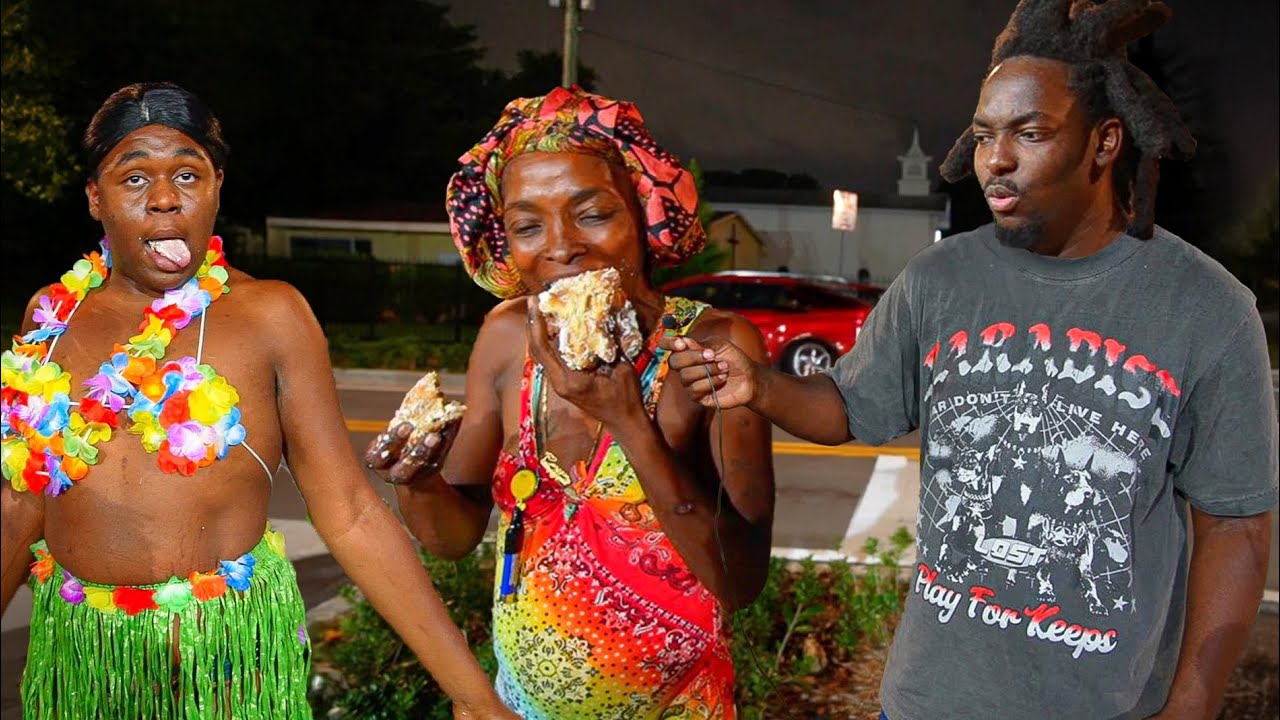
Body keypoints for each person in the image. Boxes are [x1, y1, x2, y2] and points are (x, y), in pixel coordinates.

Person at [662, 1, 1277, 718]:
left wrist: (1191, 705)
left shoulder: (1205, 307)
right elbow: (849, 408)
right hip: (927, 701)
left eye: (1030, 132)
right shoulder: (938, 281)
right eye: (984, 135)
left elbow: (1234, 525)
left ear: (1105, 142)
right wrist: (759, 387)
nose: (997, 160)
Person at [0, 82, 516, 720]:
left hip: (228, 662)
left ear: (216, 185)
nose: (163, 199)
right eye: (133, 179)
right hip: (83, 658)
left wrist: (473, 695)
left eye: (186, 174)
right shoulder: (52, 316)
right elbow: (19, 505)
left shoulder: (269, 314)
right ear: (94, 197)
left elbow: (350, 513)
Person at [365, 87, 775, 719]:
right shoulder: (505, 340)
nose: (560, 247)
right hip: (522, 704)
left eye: (591, 214)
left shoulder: (712, 345)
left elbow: (739, 580)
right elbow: (455, 535)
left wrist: (628, 421)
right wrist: (416, 484)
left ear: (643, 214)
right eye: (527, 225)